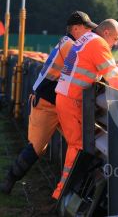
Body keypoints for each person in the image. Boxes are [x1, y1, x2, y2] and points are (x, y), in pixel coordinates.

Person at [0, 11, 96, 195]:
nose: (89, 34)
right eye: (87, 29)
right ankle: (9, 180)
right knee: (37, 148)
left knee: (77, 143)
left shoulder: (67, 42)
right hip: (48, 101)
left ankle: (74, 189)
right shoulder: (71, 45)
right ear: (76, 28)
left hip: (53, 100)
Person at [52, 19, 118, 199]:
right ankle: (62, 194)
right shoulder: (98, 43)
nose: (115, 44)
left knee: (77, 145)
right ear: (106, 33)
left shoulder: (87, 38)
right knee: (78, 146)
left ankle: (67, 191)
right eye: (115, 39)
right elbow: (114, 76)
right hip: (71, 100)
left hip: (66, 97)